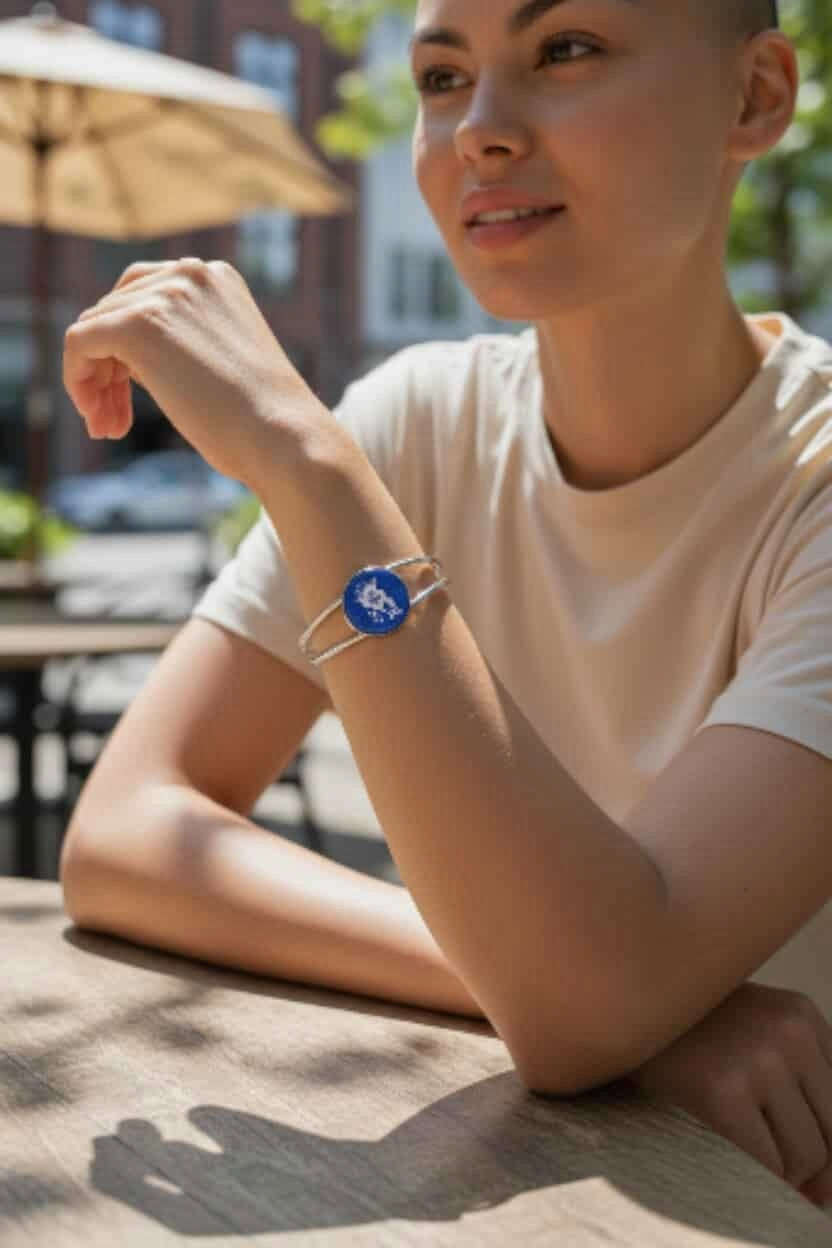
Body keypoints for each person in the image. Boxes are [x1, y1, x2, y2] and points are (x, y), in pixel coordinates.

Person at [58, 0, 832, 1211]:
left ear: (755, 99)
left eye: (564, 49)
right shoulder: (417, 419)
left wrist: (308, 470)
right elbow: (125, 834)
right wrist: (635, 1007)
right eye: (438, 75)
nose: (478, 129)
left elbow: (581, 1007)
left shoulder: (815, 480)